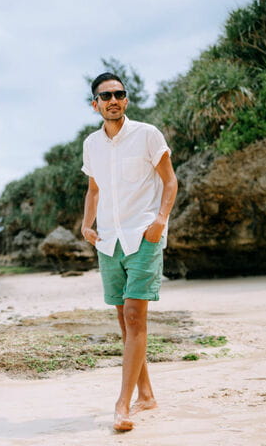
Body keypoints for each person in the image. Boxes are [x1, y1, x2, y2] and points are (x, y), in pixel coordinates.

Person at [80, 72, 178, 432]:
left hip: (144, 236)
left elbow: (170, 180)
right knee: (126, 322)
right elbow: (94, 189)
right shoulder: (91, 144)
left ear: (127, 99)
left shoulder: (148, 134)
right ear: (96, 104)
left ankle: (122, 404)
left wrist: (160, 222)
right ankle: (147, 394)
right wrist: (86, 225)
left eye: (119, 94)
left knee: (136, 318)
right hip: (108, 242)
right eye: (106, 96)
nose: (113, 100)